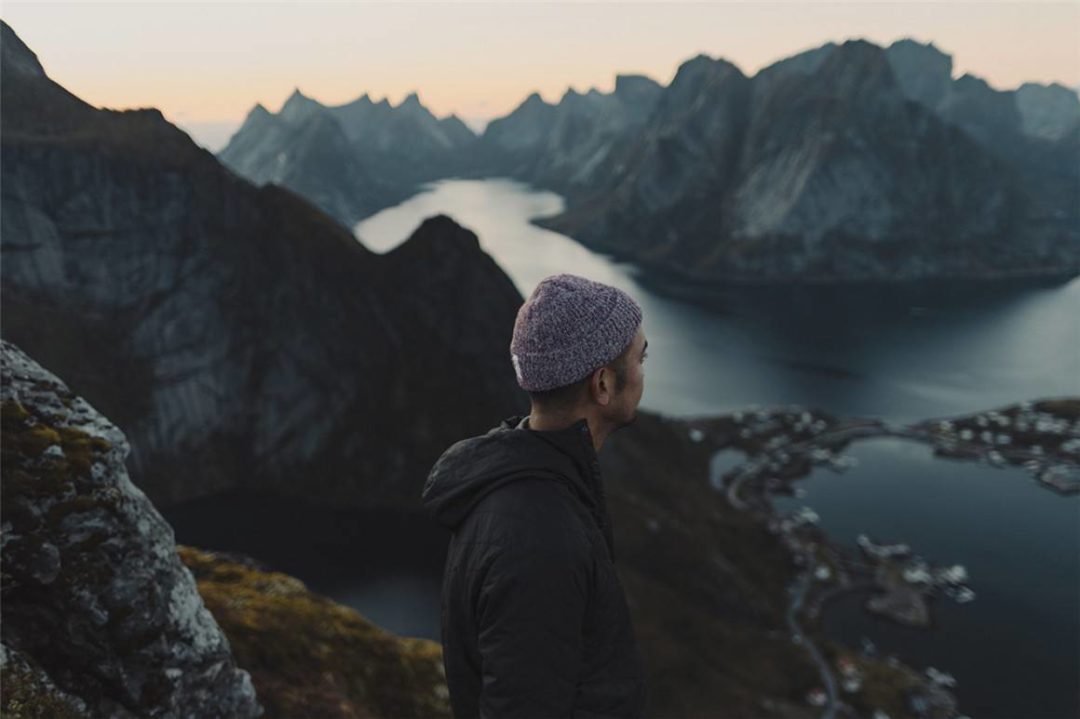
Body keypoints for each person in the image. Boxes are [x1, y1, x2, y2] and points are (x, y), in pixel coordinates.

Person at [421, 273, 649, 719]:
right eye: (641, 358)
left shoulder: (523, 484)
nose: (644, 373)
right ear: (602, 384)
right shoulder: (541, 540)